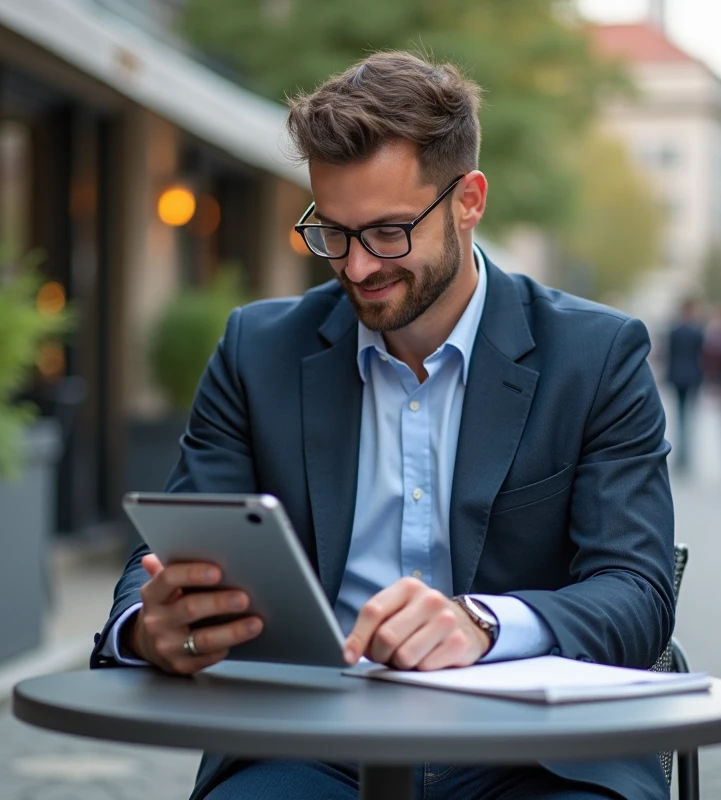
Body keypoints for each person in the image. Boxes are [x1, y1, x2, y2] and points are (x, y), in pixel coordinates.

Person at [91, 51, 675, 800]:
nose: (357, 267)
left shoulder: (595, 357)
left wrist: (484, 624)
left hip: (541, 752)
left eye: (389, 233)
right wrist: (146, 629)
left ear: (469, 201)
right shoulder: (256, 352)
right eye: (332, 233)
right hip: (307, 743)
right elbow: (162, 559)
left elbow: (637, 592)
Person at [664, 298, 705, 469]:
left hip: (677, 377)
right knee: (689, 417)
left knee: (680, 416)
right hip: (693, 377)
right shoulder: (697, 332)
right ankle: (686, 454)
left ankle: (681, 454)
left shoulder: (674, 331)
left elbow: (670, 355)